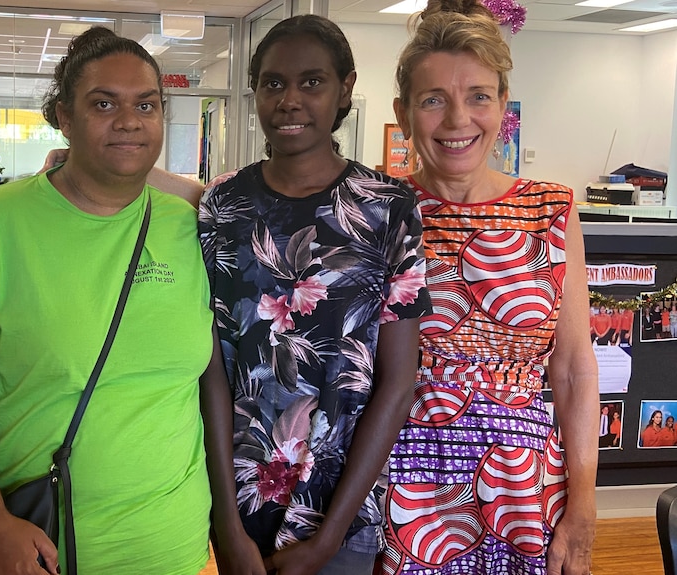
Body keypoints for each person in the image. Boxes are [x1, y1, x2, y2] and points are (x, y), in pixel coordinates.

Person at [0, 27, 214, 575]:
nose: (130, 120)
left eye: (147, 105)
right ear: (64, 116)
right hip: (37, 546)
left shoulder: (193, 231)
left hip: (172, 544)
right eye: (103, 103)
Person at [198, 14, 431, 575]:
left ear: (345, 88)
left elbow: (398, 384)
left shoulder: (388, 208)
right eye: (274, 84)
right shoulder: (222, 208)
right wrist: (226, 525)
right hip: (240, 502)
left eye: (312, 82)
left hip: (341, 510)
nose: (290, 100)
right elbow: (209, 369)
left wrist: (327, 541)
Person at [379, 1, 600, 574]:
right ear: (403, 113)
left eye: (479, 95)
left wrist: (584, 505)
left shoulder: (552, 208)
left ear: (504, 104)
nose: (458, 119)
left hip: (526, 493)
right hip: (401, 489)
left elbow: (575, 368)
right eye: (434, 100)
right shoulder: (376, 209)